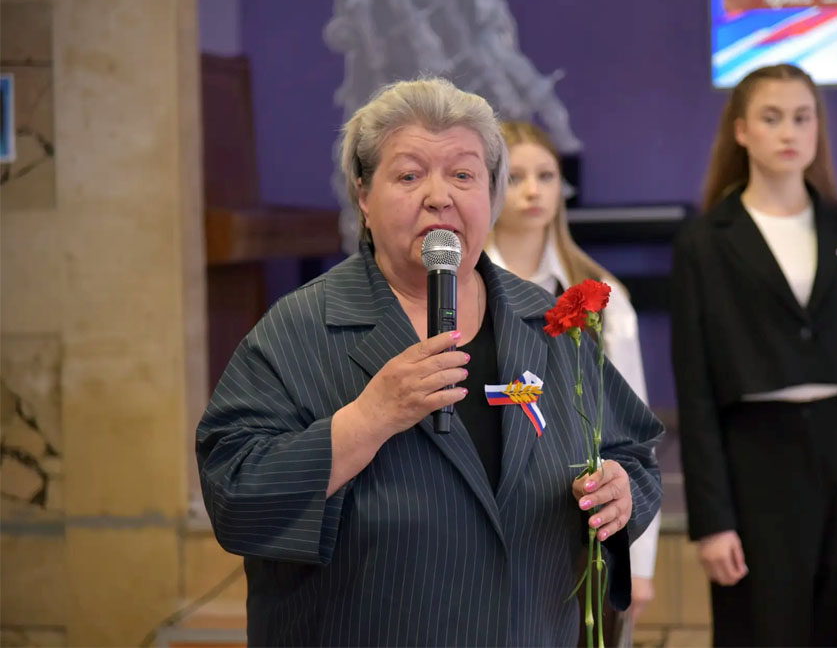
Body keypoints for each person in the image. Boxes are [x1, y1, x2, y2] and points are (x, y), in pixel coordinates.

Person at [196, 77, 663, 646]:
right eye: (409, 175)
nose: (439, 196)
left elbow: (632, 454)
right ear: (363, 196)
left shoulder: (548, 323)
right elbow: (234, 496)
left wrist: (620, 493)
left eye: (463, 175)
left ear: (490, 196)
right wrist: (366, 421)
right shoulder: (301, 328)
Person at [670, 63, 837, 647]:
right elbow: (696, 388)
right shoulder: (705, 242)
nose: (789, 132)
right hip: (759, 460)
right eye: (771, 117)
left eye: (802, 118)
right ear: (741, 131)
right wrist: (712, 520)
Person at [485, 121, 663, 630]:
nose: (533, 190)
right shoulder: (458, 293)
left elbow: (633, 438)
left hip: (574, 529)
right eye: (515, 177)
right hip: (483, 520)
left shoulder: (600, 294)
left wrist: (637, 560)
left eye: (546, 175)